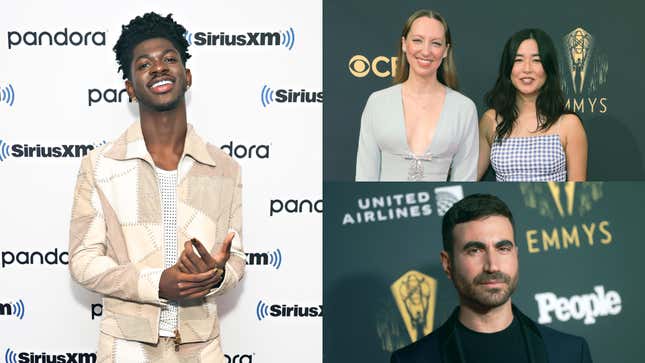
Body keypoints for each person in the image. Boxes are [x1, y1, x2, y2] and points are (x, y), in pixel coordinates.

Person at [68, 12, 244, 362]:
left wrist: (217, 274)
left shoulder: (224, 168)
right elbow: (83, 261)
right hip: (126, 350)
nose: (159, 68)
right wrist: (157, 283)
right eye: (145, 64)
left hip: (202, 348)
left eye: (169, 59)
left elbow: (235, 258)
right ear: (130, 88)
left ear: (187, 76)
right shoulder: (101, 165)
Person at [391, 194, 592, 363]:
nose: (492, 266)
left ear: (516, 255)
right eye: (475, 250)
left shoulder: (570, 353)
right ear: (447, 264)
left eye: (503, 249)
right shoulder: (412, 360)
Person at [355, 9, 478, 181]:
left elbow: (465, 179)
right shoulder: (378, 102)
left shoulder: (464, 108)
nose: (426, 51)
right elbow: (365, 176)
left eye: (435, 43)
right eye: (417, 40)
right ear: (404, 44)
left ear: (445, 50)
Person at [478, 29, 588, 181]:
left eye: (536, 60)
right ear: (508, 68)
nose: (527, 69)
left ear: (548, 68)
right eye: (518, 60)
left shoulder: (569, 124)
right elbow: (469, 179)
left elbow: (578, 190)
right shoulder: (491, 120)